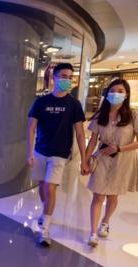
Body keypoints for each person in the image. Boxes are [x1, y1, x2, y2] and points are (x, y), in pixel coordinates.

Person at [27, 63, 88, 247]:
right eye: (63, 76)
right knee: (42, 186)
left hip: (60, 154)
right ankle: (46, 212)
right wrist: (29, 153)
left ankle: (45, 228)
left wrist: (84, 159)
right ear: (53, 78)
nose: (67, 80)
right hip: (40, 151)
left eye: (70, 77)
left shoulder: (74, 104)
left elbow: (80, 133)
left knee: (50, 188)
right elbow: (31, 128)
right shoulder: (41, 102)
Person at [84, 79, 138, 247]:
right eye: (112, 90)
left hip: (123, 160)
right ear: (107, 93)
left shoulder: (135, 116)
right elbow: (92, 141)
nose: (116, 94)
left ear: (126, 95)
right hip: (102, 158)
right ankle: (93, 232)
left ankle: (106, 221)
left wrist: (120, 148)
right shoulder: (99, 115)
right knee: (98, 194)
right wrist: (85, 161)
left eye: (120, 91)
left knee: (113, 195)